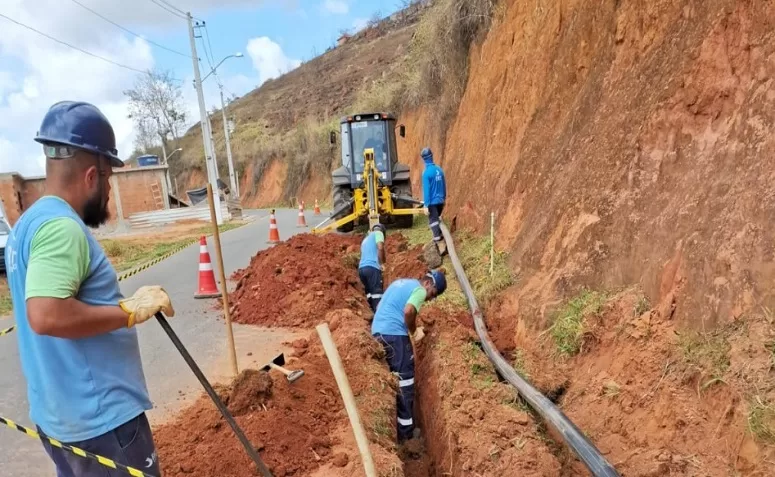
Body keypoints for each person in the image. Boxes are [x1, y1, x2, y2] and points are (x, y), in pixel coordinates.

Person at [5, 101, 175, 476]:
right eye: (110, 179)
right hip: (101, 424)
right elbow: (47, 315)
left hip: (61, 419)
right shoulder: (62, 229)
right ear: (92, 176)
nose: (110, 189)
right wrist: (127, 312)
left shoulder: (27, 225)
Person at [371, 269, 447, 442]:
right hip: (394, 335)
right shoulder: (419, 290)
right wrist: (413, 331)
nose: (429, 299)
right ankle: (407, 436)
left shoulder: (402, 283)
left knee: (394, 379)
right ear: (428, 283)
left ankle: (399, 428)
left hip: (378, 332)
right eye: (432, 294)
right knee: (405, 382)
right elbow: (408, 311)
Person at [420, 147, 447, 255]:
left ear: (424, 159)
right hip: (440, 201)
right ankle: (439, 238)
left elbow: (427, 191)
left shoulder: (426, 173)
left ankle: (440, 244)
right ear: (432, 156)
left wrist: (426, 205)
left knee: (433, 222)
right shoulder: (439, 170)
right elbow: (444, 186)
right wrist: (444, 198)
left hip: (432, 202)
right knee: (437, 221)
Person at [358, 223, 387, 312]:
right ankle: (379, 318)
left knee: (369, 294)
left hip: (361, 269)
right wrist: (381, 263)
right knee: (377, 294)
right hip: (372, 268)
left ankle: (371, 316)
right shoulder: (378, 233)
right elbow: (380, 247)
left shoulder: (365, 239)